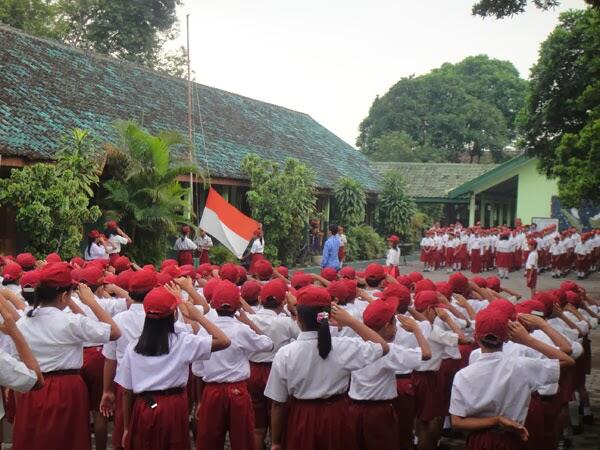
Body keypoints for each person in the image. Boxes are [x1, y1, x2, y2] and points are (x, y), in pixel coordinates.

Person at [10, 262, 121, 450]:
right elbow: (115, 332)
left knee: (36, 441)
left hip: (33, 386)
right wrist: (91, 302)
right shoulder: (71, 322)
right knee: (68, 440)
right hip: (67, 389)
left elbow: (17, 366)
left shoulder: (22, 324)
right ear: (64, 296)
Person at [264, 286, 390, 450]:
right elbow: (383, 347)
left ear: (298, 319)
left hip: (302, 417)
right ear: (328, 316)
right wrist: (352, 322)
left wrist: (275, 442)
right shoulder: (344, 347)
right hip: (337, 416)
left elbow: (278, 404)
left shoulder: (285, 354)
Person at [115, 286, 231, 450]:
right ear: (173, 314)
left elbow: (126, 391)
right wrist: (198, 317)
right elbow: (224, 341)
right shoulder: (183, 342)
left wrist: (127, 428)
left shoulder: (133, 347)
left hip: (144, 406)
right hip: (173, 406)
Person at [449, 307, 574, 450]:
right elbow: (568, 361)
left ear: (476, 336)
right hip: (514, 437)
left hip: (479, 440)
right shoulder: (521, 366)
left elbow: (457, 422)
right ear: (507, 338)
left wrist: (495, 420)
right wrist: (528, 340)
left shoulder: (462, 375)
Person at [194, 280, 273, 450]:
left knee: (208, 442)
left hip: (211, 390)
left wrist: (200, 400)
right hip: (237, 390)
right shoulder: (241, 329)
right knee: (243, 441)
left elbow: (197, 370)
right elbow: (268, 344)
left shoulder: (204, 330)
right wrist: (248, 322)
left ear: (213, 305)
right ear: (238, 306)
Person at [349, 298, 431, 450]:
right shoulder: (388, 350)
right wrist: (416, 330)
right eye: (394, 324)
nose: (396, 329)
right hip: (378, 411)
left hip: (354, 408)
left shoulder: (355, 343)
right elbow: (426, 354)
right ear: (387, 326)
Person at [248, 280, 300, 449]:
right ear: (283, 301)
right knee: (279, 419)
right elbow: (303, 334)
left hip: (253, 370)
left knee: (257, 427)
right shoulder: (285, 322)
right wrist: (293, 311)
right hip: (276, 370)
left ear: (260, 298)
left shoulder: (249, 318)